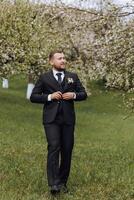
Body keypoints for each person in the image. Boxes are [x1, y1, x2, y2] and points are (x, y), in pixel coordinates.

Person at [30, 50, 87, 195]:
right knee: (54, 146)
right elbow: (33, 96)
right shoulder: (44, 78)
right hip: (51, 120)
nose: (63, 60)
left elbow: (83, 94)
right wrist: (49, 96)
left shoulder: (72, 77)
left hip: (68, 120)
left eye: (64, 58)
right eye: (59, 58)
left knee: (67, 150)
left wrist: (73, 95)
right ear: (51, 61)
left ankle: (62, 182)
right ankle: (54, 184)